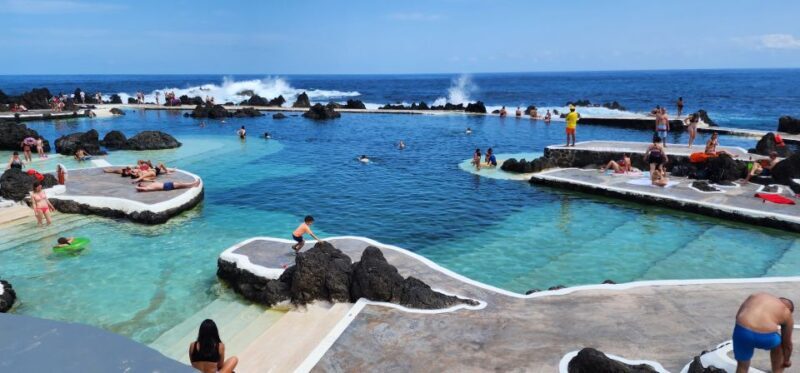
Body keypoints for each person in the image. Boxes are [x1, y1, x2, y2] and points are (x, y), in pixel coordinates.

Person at [733, 293, 793, 373]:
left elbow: (737, 316)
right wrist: (787, 360)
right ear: (789, 309)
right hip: (766, 338)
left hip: (742, 331)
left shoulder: (756, 296)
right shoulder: (786, 312)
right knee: (781, 344)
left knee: (742, 366)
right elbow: (787, 344)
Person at [136, 180, 200, 192]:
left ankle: (193, 185)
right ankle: (194, 183)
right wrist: (138, 187)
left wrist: (150, 181)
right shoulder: (147, 188)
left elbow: (154, 181)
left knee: (181, 185)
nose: (143, 183)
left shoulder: (149, 184)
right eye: (141, 184)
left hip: (166, 185)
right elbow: (137, 187)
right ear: (141, 186)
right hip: (166, 186)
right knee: (181, 184)